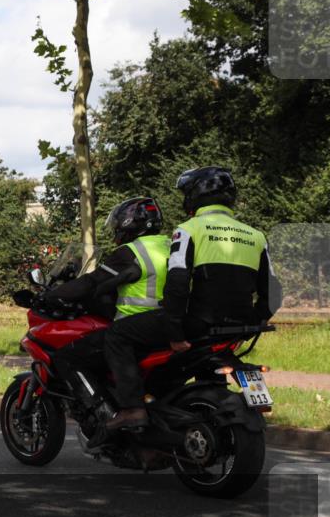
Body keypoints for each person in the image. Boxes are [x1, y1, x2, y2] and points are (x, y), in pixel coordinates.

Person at [100, 166, 280, 439]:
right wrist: (253, 322)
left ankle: (132, 408)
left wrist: (174, 332)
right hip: (236, 328)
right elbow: (274, 292)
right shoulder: (255, 235)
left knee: (116, 335)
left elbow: (178, 283)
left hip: (197, 322)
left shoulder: (188, 230)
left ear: (196, 195)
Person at [47, 197, 169, 393]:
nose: (116, 232)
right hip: (171, 325)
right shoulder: (170, 244)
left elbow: (92, 281)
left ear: (128, 223)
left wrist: (52, 295)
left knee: (67, 357)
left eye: (117, 225)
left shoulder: (130, 252)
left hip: (136, 326)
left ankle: (103, 409)